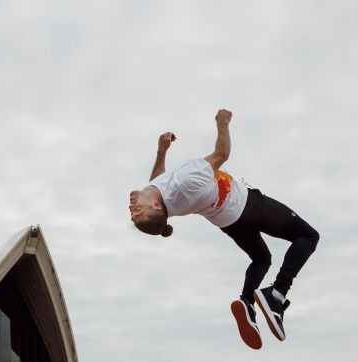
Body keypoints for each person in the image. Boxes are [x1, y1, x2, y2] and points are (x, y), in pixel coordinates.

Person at [128, 109, 320, 349]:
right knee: (309, 236)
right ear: (155, 205)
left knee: (262, 259)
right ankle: (277, 294)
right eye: (138, 213)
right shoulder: (187, 180)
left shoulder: (165, 201)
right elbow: (222, 154)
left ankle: (247, 303)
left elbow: (156, 181)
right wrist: (222, 123)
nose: (132, 209)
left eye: (133, 214)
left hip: (229, 222)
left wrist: (161, 152)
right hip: (248, 206)